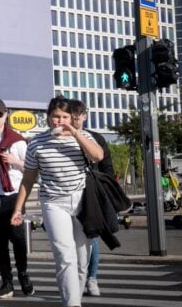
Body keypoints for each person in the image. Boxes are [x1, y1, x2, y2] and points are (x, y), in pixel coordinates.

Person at [11, 96, 104, 307]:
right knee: (64, 255)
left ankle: (75, 298)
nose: (59, 121)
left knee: (82, 260)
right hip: (53, 202)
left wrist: (75, 133)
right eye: (55, 116)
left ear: (71, 118)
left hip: (82, 202)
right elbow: (28, 178)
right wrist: (19, 209)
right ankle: (71, 304)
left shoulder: (83, 136)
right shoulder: (36, 143)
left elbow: (98, 156)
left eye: (64, 117)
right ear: (48, 117)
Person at [0, 98, 33, 299]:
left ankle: (24, 275)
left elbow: (31, 168)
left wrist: (15, 161)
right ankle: (7, 282)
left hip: (15, 196)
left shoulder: (18, 140)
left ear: (6, 114)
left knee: (18, 238)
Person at [69, 99, 115, 298]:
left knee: (93, 237)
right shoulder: (63, 138)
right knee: (71, 241)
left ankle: (92, 278)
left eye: (78, 117)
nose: (75, 121)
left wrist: (109, 192)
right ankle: (76, 280)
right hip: (69, 193)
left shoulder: (95, 138)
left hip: (91, 193)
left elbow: (106, 165)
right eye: (72, 117)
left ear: (85, 117)